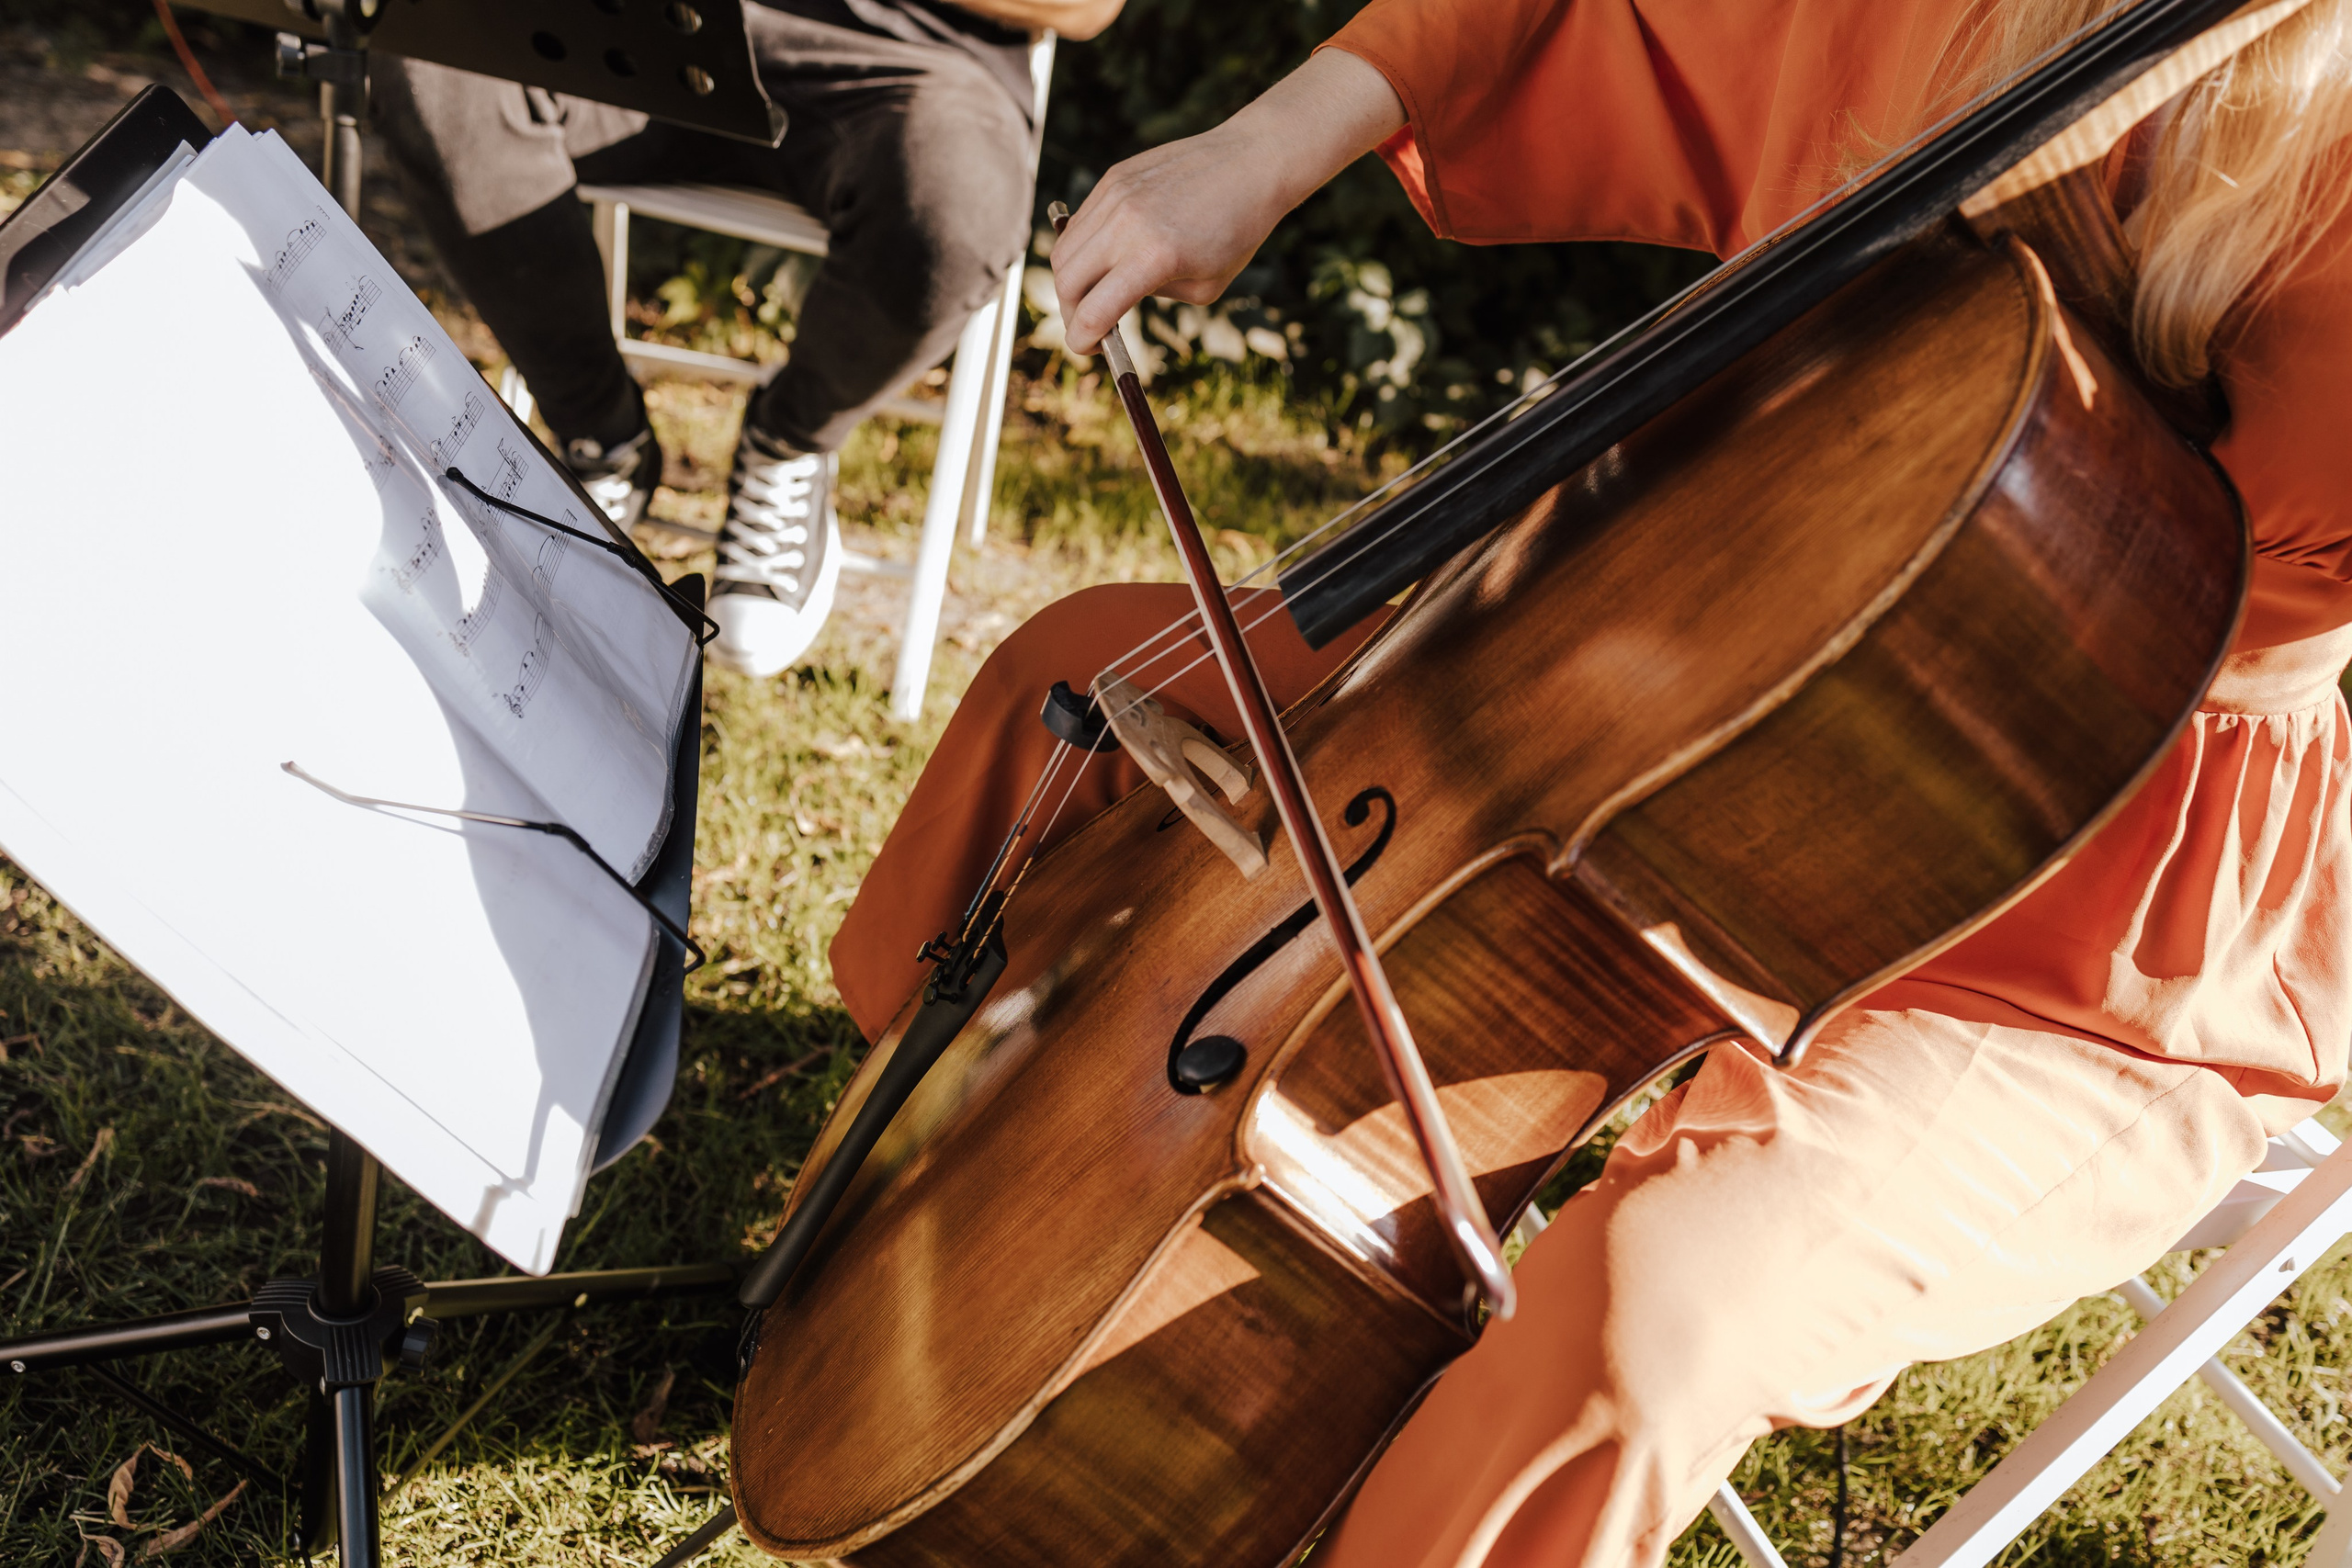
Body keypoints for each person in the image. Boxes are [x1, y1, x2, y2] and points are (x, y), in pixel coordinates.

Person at [827, 0, 2352, 1562]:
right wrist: (1255, 151)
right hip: (1686, 609)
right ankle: (893, 1257)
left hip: (2089, 930)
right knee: (1083, 691)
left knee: (1654, 1306)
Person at [372, 0, 1125, 677]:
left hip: (918, 66)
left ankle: (792, 439)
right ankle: (599, 438)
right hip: (650, 23)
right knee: (438, 58)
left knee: (956, 212)